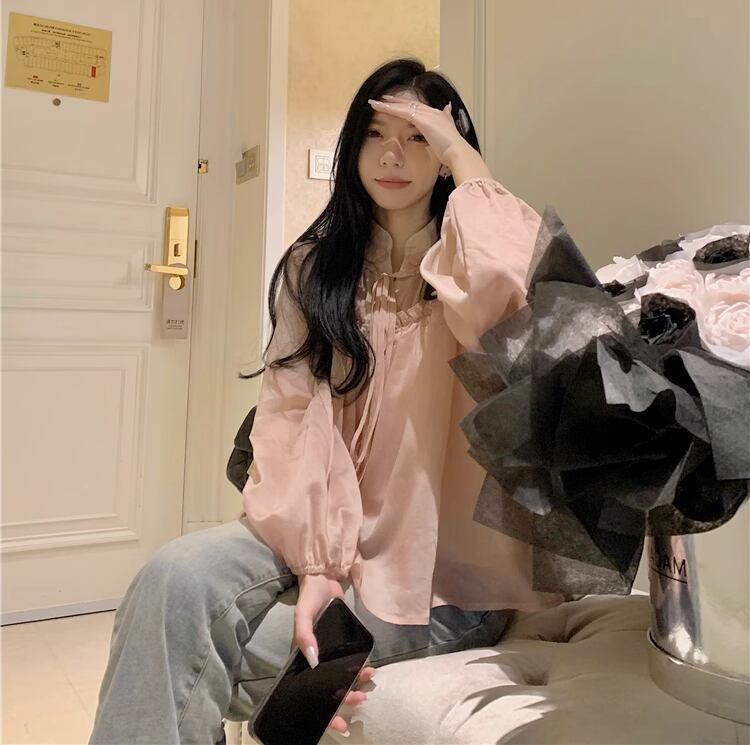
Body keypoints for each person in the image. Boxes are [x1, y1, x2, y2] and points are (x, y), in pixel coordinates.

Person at [89, 57, 565, 745]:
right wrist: (318, 563)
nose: (394, 154)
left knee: (193, 648)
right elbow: (292, 418)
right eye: (376, 134)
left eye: (419, 137)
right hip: (305, 527)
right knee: (169, 582)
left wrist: (465, 157)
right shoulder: (314, 270)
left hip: (436, 578)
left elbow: (518, 303)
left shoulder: (464, 271)